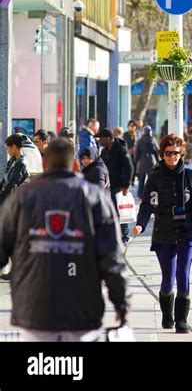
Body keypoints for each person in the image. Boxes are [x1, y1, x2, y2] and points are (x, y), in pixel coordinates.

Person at [0, 139, 129, 342]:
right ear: (75, 165)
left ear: (44, 164)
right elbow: (112, 255)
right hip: (82, 309)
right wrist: (121, 303)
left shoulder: (23, 197)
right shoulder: (94, 197)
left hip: (35, 309)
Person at [133, 135, 192, 333]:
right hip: (164, 231)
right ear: (162, 154)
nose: (172, 157)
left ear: (182, 154)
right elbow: (146, 205)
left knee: (183, 273)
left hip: (187, 230)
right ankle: (167, 315)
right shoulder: (155, 177)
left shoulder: (189, 175)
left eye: (176, 153)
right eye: (168, 153)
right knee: (168, 279)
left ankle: (181, 320)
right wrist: (140, 225)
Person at [98, 128, 134, 246]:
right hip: (108, 187)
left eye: (101, 138)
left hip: (119, 187)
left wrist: (126, 185)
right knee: (110, 212)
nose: (100, 141)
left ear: (108, 138)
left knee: (122, 213)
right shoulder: (104, 151)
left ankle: (123, 238)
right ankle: (113, 236)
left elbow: (129, 168)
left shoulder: (121, 150)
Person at [0, 135, 29, 204]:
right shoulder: (12, 160)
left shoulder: (21, 163)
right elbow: (5, 178)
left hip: (9, 200)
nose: (7, 151)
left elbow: (11, 184)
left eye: (7, 148)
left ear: (14, 147)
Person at [135, 125, 160, 199]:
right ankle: (151, 194)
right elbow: (157, 151)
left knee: (141, 180)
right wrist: (158, 161)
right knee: (151, 180)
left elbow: (137, 152)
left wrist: (136, 161)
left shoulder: (140, 140)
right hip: (151, 162)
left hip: (142, 162)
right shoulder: (153, 140)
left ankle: (140, 195)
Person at [123, 120, 138, 184]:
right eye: (131, 126)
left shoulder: (137, 134)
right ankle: (128, 180)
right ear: (128, 126)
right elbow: (124, 143)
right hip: (127, 153)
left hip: (135, 153)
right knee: (128, 167)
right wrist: (128, 149)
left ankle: (133, 180)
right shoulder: (126, 134)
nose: (132, 127)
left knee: (134, 167)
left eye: (133, 126)